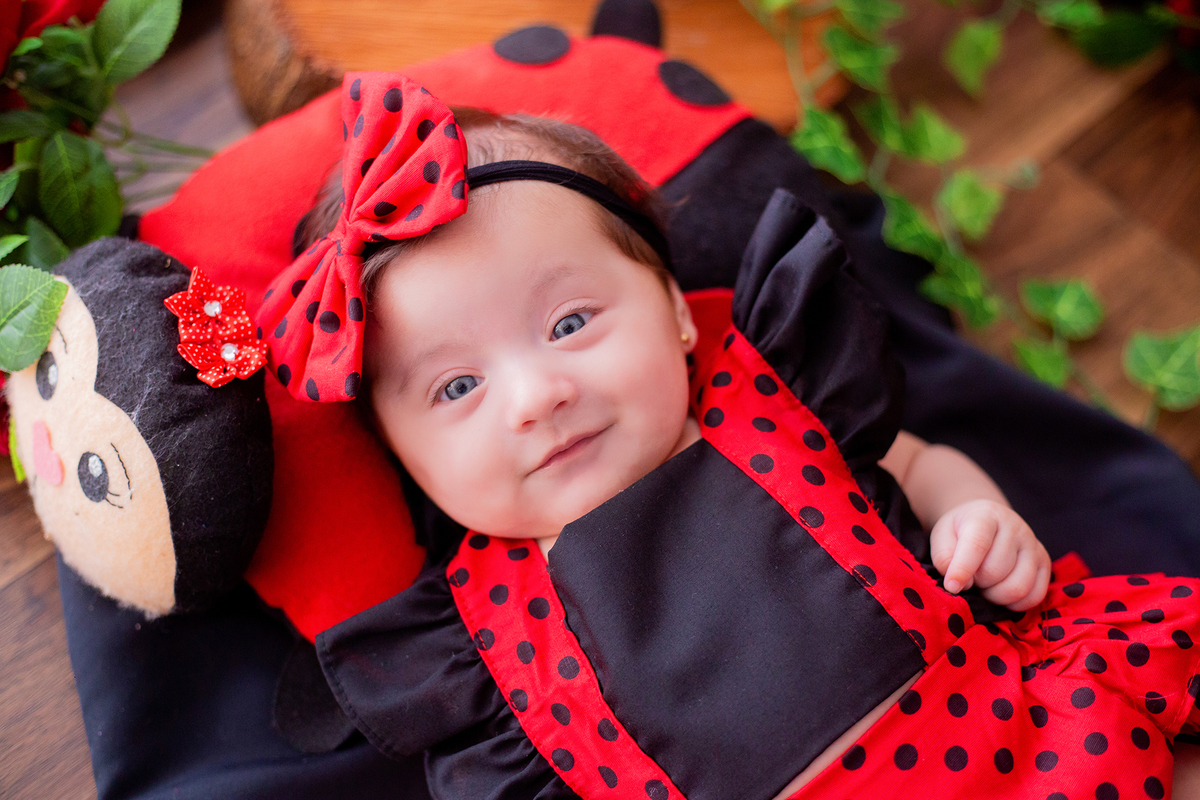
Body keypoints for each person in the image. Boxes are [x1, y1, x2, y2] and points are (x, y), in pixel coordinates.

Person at [259, 73, 1200, 800]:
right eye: (457, 386)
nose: (536, 395)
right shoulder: (474, 649)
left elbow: (921, 462)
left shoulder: (781, 401)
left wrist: (974, 517)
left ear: (674, 309)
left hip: (1030, 743)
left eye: (572, 323)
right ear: (404, 460)